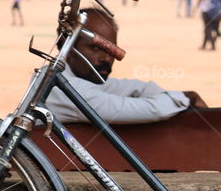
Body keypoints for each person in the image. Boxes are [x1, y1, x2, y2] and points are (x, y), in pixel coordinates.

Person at [45, 7, 207, 124]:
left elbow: (134, 88)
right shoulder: (59, 87)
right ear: (68, 47)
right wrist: (185, 99)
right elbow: (133, 109)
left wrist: (175, 96)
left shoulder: (77, 79)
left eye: (111, 50)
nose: (106, 58)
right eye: (94, 48)